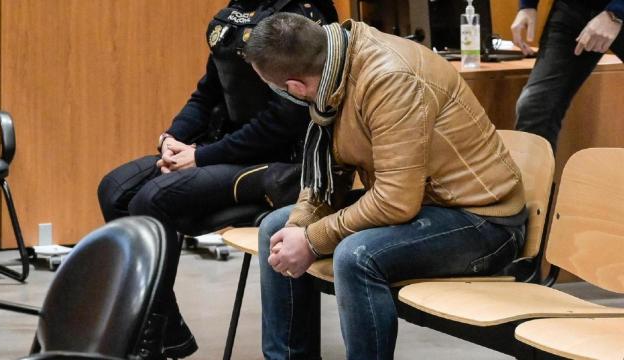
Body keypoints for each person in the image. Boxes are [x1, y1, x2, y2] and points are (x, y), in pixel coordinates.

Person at [244, 13, 529, 359]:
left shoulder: (389, 78)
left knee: (356, 256)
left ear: (294, 88)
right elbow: (328, 179)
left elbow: (395, 202)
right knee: (275, 229)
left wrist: (310, 239)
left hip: (484, 221)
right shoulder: (334, 69)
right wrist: (297, 229)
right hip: (424, 202)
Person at [96, 1, 338, 359]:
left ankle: (146, 346)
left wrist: (201, 156)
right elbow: (208, 92)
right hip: (224, 148)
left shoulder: (302, 12)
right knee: (115, 189)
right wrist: (172, 139)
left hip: (282, 165)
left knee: (153, 198)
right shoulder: (238, 10)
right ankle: (165, 331)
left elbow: (285, 120)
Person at [512, 0, 623, 151]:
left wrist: (616, 13)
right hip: (573, 9)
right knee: (535, 106)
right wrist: (528, 6)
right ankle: (534, 174)